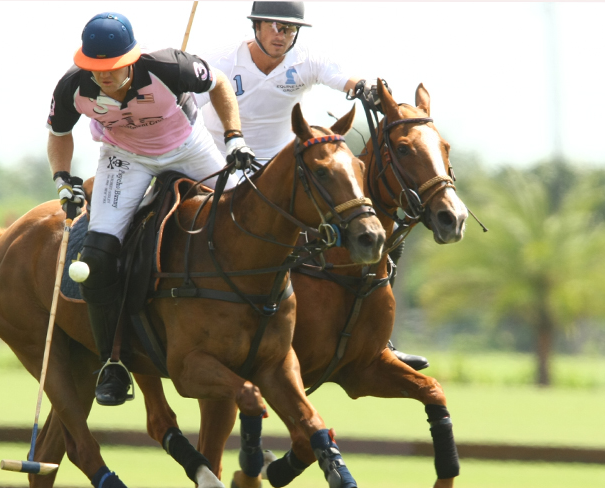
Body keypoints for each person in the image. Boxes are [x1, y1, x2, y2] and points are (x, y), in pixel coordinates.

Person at [197, 1, 429, 370]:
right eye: (274, 26)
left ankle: (375, 337)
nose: (281, 34)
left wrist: (362, 87)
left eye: (289, 29)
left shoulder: (305, 57)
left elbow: (342, 78)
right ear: (256, 26)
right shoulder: (219, 59)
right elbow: (185, 110)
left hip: (282, 168)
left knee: (360, 220)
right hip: (218, 159)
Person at [47, 12, 255, 406]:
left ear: (132, 58)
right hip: (125, 158)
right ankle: (113, 361)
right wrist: (63, 180)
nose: (103, 76)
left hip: (189, 149)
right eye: (96, 68)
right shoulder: (73, 86)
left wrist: (234, 138)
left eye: (112, 68)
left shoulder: (168, 66)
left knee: (250, 217)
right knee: (96, 257)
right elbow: (59, 135)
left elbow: (220, 83)